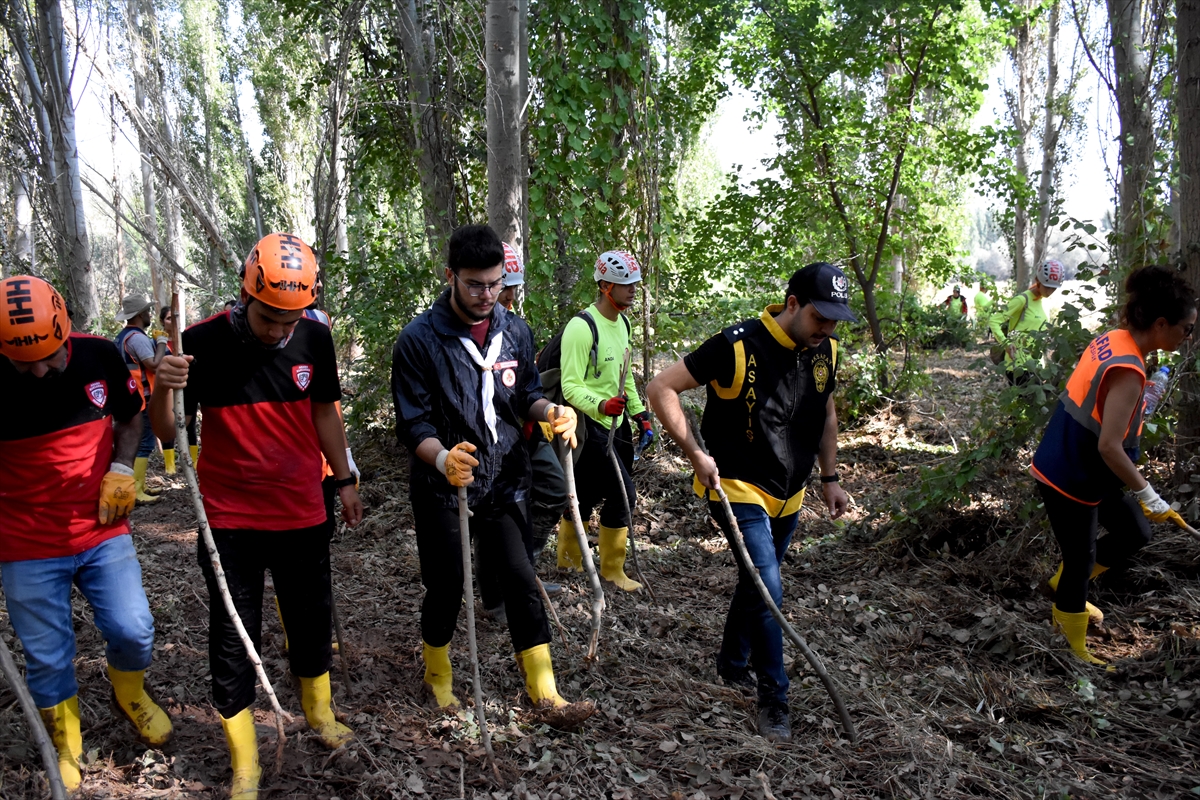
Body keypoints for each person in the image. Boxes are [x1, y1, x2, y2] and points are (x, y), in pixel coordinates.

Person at [150, 233, 364, 800]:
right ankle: (244, 756)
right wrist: (162, 385)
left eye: (292, 317)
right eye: (271, 317)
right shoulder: (199, 344)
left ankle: (318, 714)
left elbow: (324, 411)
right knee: (233, 635)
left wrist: (343, 480)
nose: (280, 330)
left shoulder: (315, 337)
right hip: (230, 522)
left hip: (300, 510)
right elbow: (168, 433)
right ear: (247, 293)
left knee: (310, 617)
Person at [391, 224, 592, 724]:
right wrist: (442, 458)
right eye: (475, 284)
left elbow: (523, 394)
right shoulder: (419, 339)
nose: (487, 295)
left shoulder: (515, 331)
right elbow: (412, 422)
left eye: (496, 283)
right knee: (447, 586)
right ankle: (438, 676)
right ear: (451, 276)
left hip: (505, 478)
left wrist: (550, 411)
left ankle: (544, 690)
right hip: (443, 485)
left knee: (522, 579)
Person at [646, 262, 854, 744]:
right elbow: (662, 387)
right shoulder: (737, 344)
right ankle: (774, 700)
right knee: (768, 588)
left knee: (759, 581)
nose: (827, 327)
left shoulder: (826, 352)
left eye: (835, 319)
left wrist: (830, 477)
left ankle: (732, 662)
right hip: (737, 486)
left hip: (791, 492)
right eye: (820, 316)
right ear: (793, 304)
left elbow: (825, 412)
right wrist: (695, 454)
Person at [0, 276, 172, 791]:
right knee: (48, 653)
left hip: (101, 529)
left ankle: (130, 691)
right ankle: (67, 745)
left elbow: (130, 417)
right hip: (25, 542)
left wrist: (122, 468)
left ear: (66, 329)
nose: (37, 370)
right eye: (20, 361)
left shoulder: (98, 356)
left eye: (48, 356)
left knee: (133, 629)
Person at [1031, 266, 1196, 668]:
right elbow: (1109, 446)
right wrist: (1148, 494)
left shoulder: (1116, 340)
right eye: (1186, 328)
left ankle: (1061, 588)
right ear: (1160, 324)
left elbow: (1109, 418)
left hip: (1084, 468)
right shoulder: (1129, 370)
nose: (1189, 336)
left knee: (1133, 532)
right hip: (1070, 474)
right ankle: (1072, 644)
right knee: (1081, 558)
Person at [555, 249, 652, 592]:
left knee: (590, 491)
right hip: (589, 425)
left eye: (634, 285)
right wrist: (601, 405)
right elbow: (570, 386)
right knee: (625, 493)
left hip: (618, 424)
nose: (632, 291)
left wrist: (639, 413)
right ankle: (611, 569)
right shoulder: (581, 328)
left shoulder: (623, 323)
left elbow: (623, 377)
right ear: (605, 286)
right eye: (625, 285)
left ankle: (569, 560)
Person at [479, 242, 566, 621]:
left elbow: (526, 384)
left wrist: (549, 411)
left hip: (526, 430)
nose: (508, 296)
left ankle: (522, 571)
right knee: (490, 513)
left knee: (550, 490)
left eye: (511, 288)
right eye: (504, 288)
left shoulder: (515, 325)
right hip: (489, 439)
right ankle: (496, 596)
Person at [114, 294, 169, 501]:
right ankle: (135, 490)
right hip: (140, 397)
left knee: (139, 440)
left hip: (128, 395)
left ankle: (140, 485)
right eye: (146, 312)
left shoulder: (122, 337)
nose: (148, 315)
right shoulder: (137, 338)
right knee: (144, 442)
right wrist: (161, 342)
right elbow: (154, 364)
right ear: (140, 315)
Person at [989, 260, 1064, 385]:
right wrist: (1006, 343)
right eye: (1047, 286)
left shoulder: (1045, 302)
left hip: (1037, 365)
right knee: (1027, 402)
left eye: (1053, 288)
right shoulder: (1022, 300)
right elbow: (994, 321)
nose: (1050, 291)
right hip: (1017, 365)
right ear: (1038, 280)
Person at [157, 304, 198, 473]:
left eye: (175, 318)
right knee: (171, 423)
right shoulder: (158, 342)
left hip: (186, 388)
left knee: (190, 425)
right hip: (167, 391)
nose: (172, 322)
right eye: (168, 319)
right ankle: (170, 465)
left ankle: (193, 463)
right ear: (162, 321)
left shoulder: (186, 339)